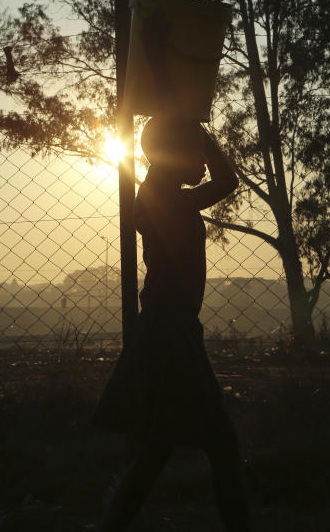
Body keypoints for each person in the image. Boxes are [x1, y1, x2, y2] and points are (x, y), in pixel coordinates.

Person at [92, 114, 251, 532]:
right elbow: (226, 182)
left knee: (158, 447)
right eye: (194, 153)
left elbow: (223, 181)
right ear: (173, 155)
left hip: (168, 330)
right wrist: (203, 136)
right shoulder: (162, 198)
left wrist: (196, 133)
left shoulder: (160, 194)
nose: (201, 161)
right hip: (170, 332)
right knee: (219, 443)